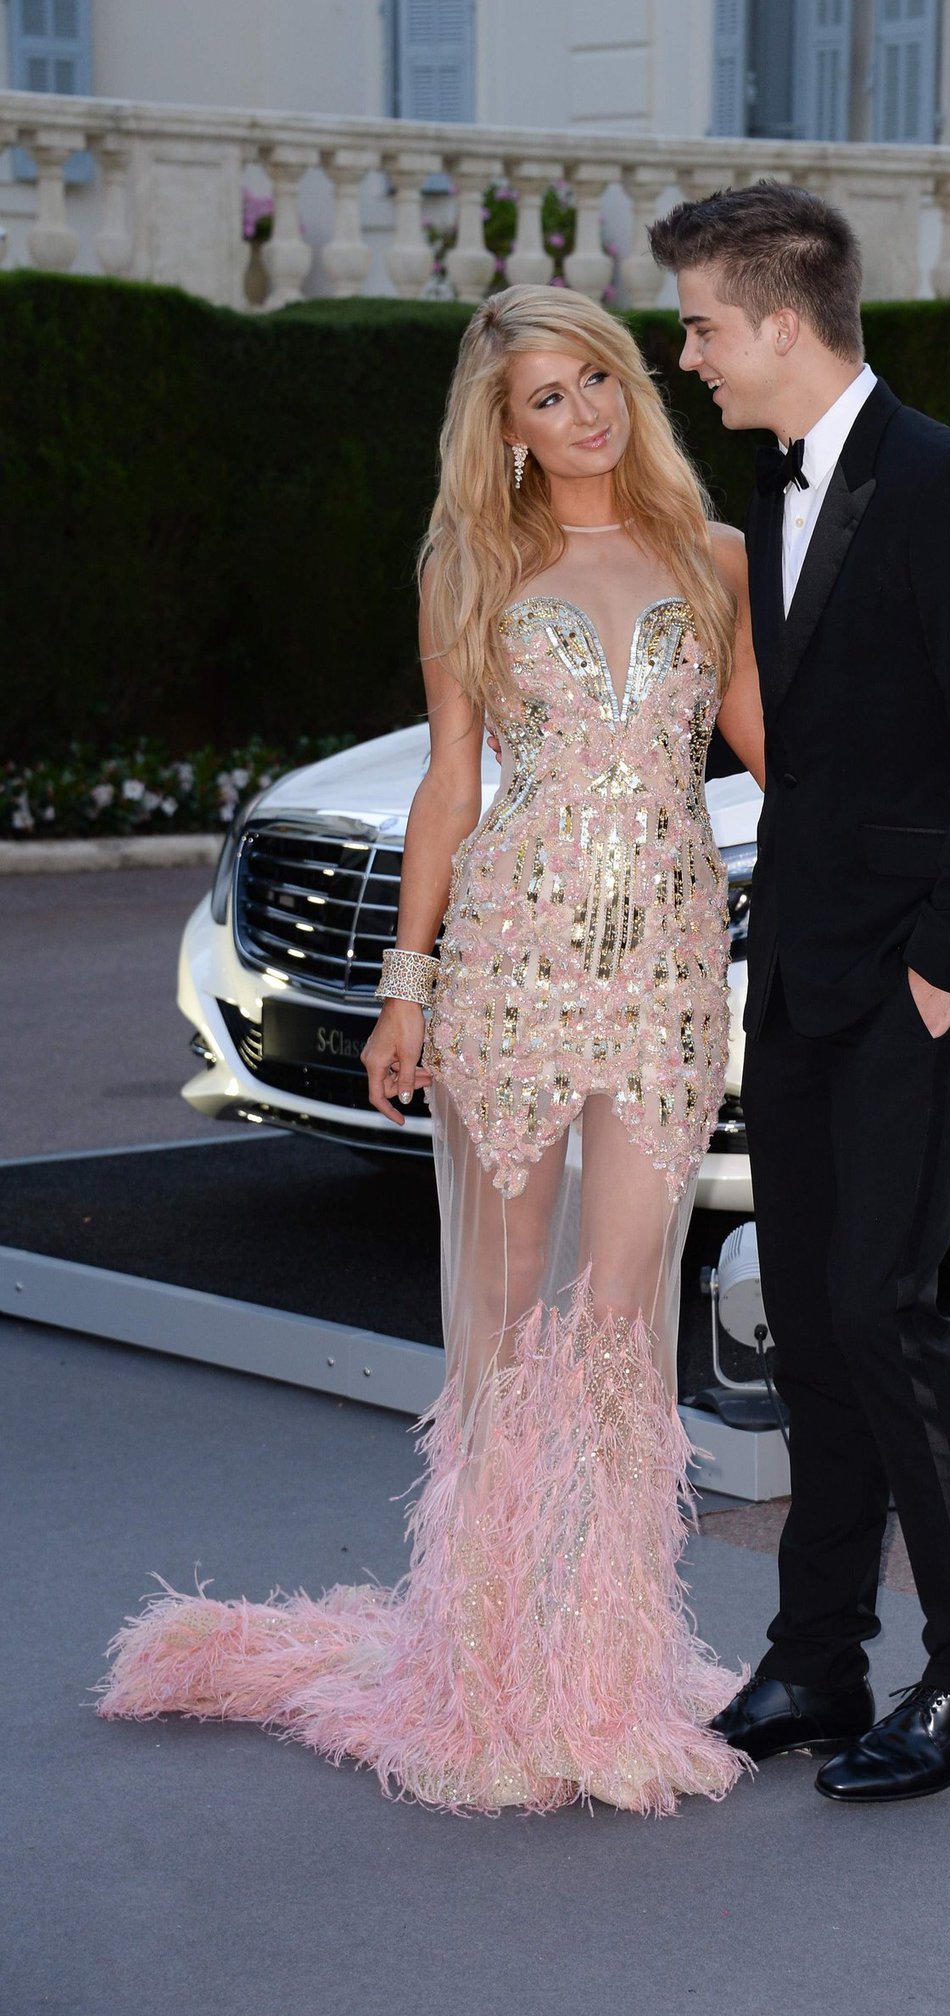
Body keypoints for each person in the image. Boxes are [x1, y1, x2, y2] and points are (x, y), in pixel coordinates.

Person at [98, 284, 766, 1817]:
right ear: (507, 432)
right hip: (509, 968)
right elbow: (448, 788)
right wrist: (406, 987)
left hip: (670, 971)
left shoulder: (716, 560)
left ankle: (596, 1665)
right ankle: (487, 1667)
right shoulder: (472, 564)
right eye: (546, 397)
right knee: (504, 1324)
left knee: (619, 1324)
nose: (584, 411)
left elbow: (776, 751)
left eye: (596, 378)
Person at [650, 184, 950, 1804]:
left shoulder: (949, 488)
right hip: (806, 969)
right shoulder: (777, 478)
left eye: (695, 324)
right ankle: (820, 1656)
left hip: (916, 979)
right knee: (808, 1325)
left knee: (888, 1317)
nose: (683, 355)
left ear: (775, 323)